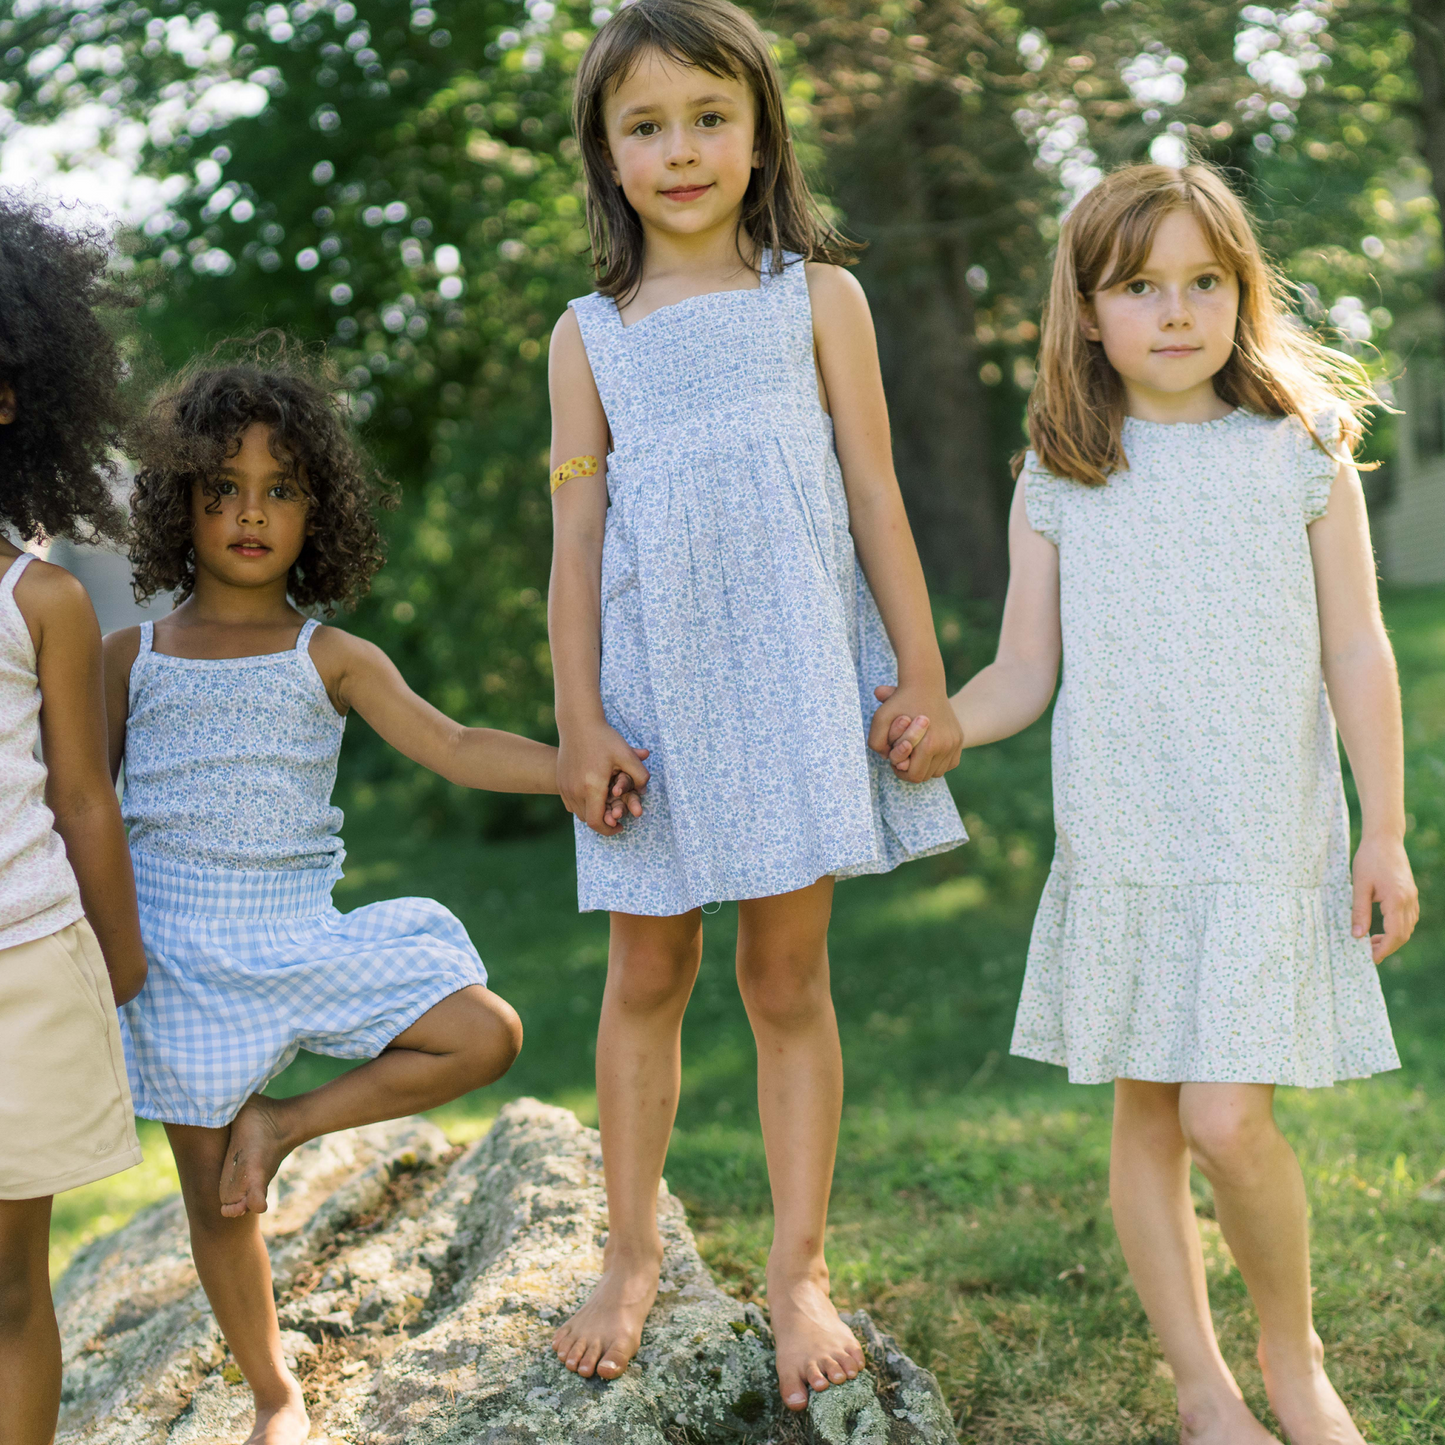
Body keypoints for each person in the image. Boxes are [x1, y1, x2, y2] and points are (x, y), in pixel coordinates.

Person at [886, 161, 1418, 1445]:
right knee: (1147, 1107)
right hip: (1125, 836)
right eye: (1138, 286)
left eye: (1202, 282)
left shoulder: (1300, 453)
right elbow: (1022, 670)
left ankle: (1291, 1358)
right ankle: (1201, 1389)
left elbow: (1357, 648)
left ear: (1241, 292)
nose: (1174, 311)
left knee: (1224, 1118)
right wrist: (947, 720)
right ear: (1085, 309)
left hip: (1263, 834)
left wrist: (1386, 828)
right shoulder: (1060, 471)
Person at [545, 0, 967, 1411]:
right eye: (645, 126)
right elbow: (576, 544)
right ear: (607, 154)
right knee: (645, 975)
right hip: (651, 696)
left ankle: (798, 1271)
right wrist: (578, 720)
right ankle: (629, 1254)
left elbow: (875, 497)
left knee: (785, 981)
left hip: (793, 676)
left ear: (759, 133)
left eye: (708, 118)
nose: (680, 151)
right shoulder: (587, 337)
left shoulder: (818, 300)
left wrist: (921, 673)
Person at [105, 341, 641, 1445]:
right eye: (223, 489)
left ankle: (285, 1122)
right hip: (178, 955)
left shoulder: (332, 656)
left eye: (281, 490)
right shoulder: (130, 655)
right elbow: (79, 802)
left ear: (319, 511)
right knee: (217, 1201)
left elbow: (453, 743)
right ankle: (276, 1394)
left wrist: (572, 765)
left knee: (485, 1033)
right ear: (179, 504)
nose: (251, 514)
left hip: (299, 933)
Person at [0, 194, 149, 1445]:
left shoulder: (42, 598)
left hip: (30, 970)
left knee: (8, 1284)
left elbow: (83, 792)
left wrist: (121, 951)